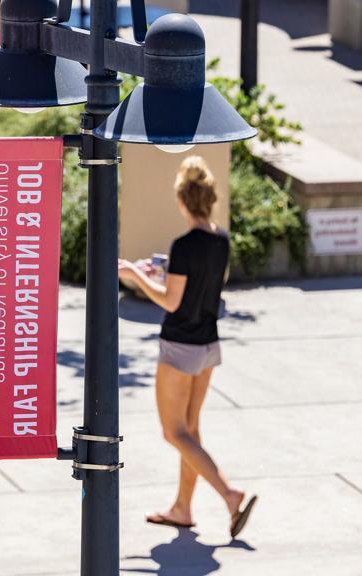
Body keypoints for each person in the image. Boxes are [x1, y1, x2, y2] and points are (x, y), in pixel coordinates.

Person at [118, 156, 257, 538]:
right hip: (208, 345)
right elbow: (200, 283)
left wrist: (133, 275)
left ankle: (230, 494)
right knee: (191, 429)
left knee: (174, 432)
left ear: (182, 200)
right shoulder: (221, 239)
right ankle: (182, 508)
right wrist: (162, 272)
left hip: (180, 346)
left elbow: (170, 302)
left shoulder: (184, 244)